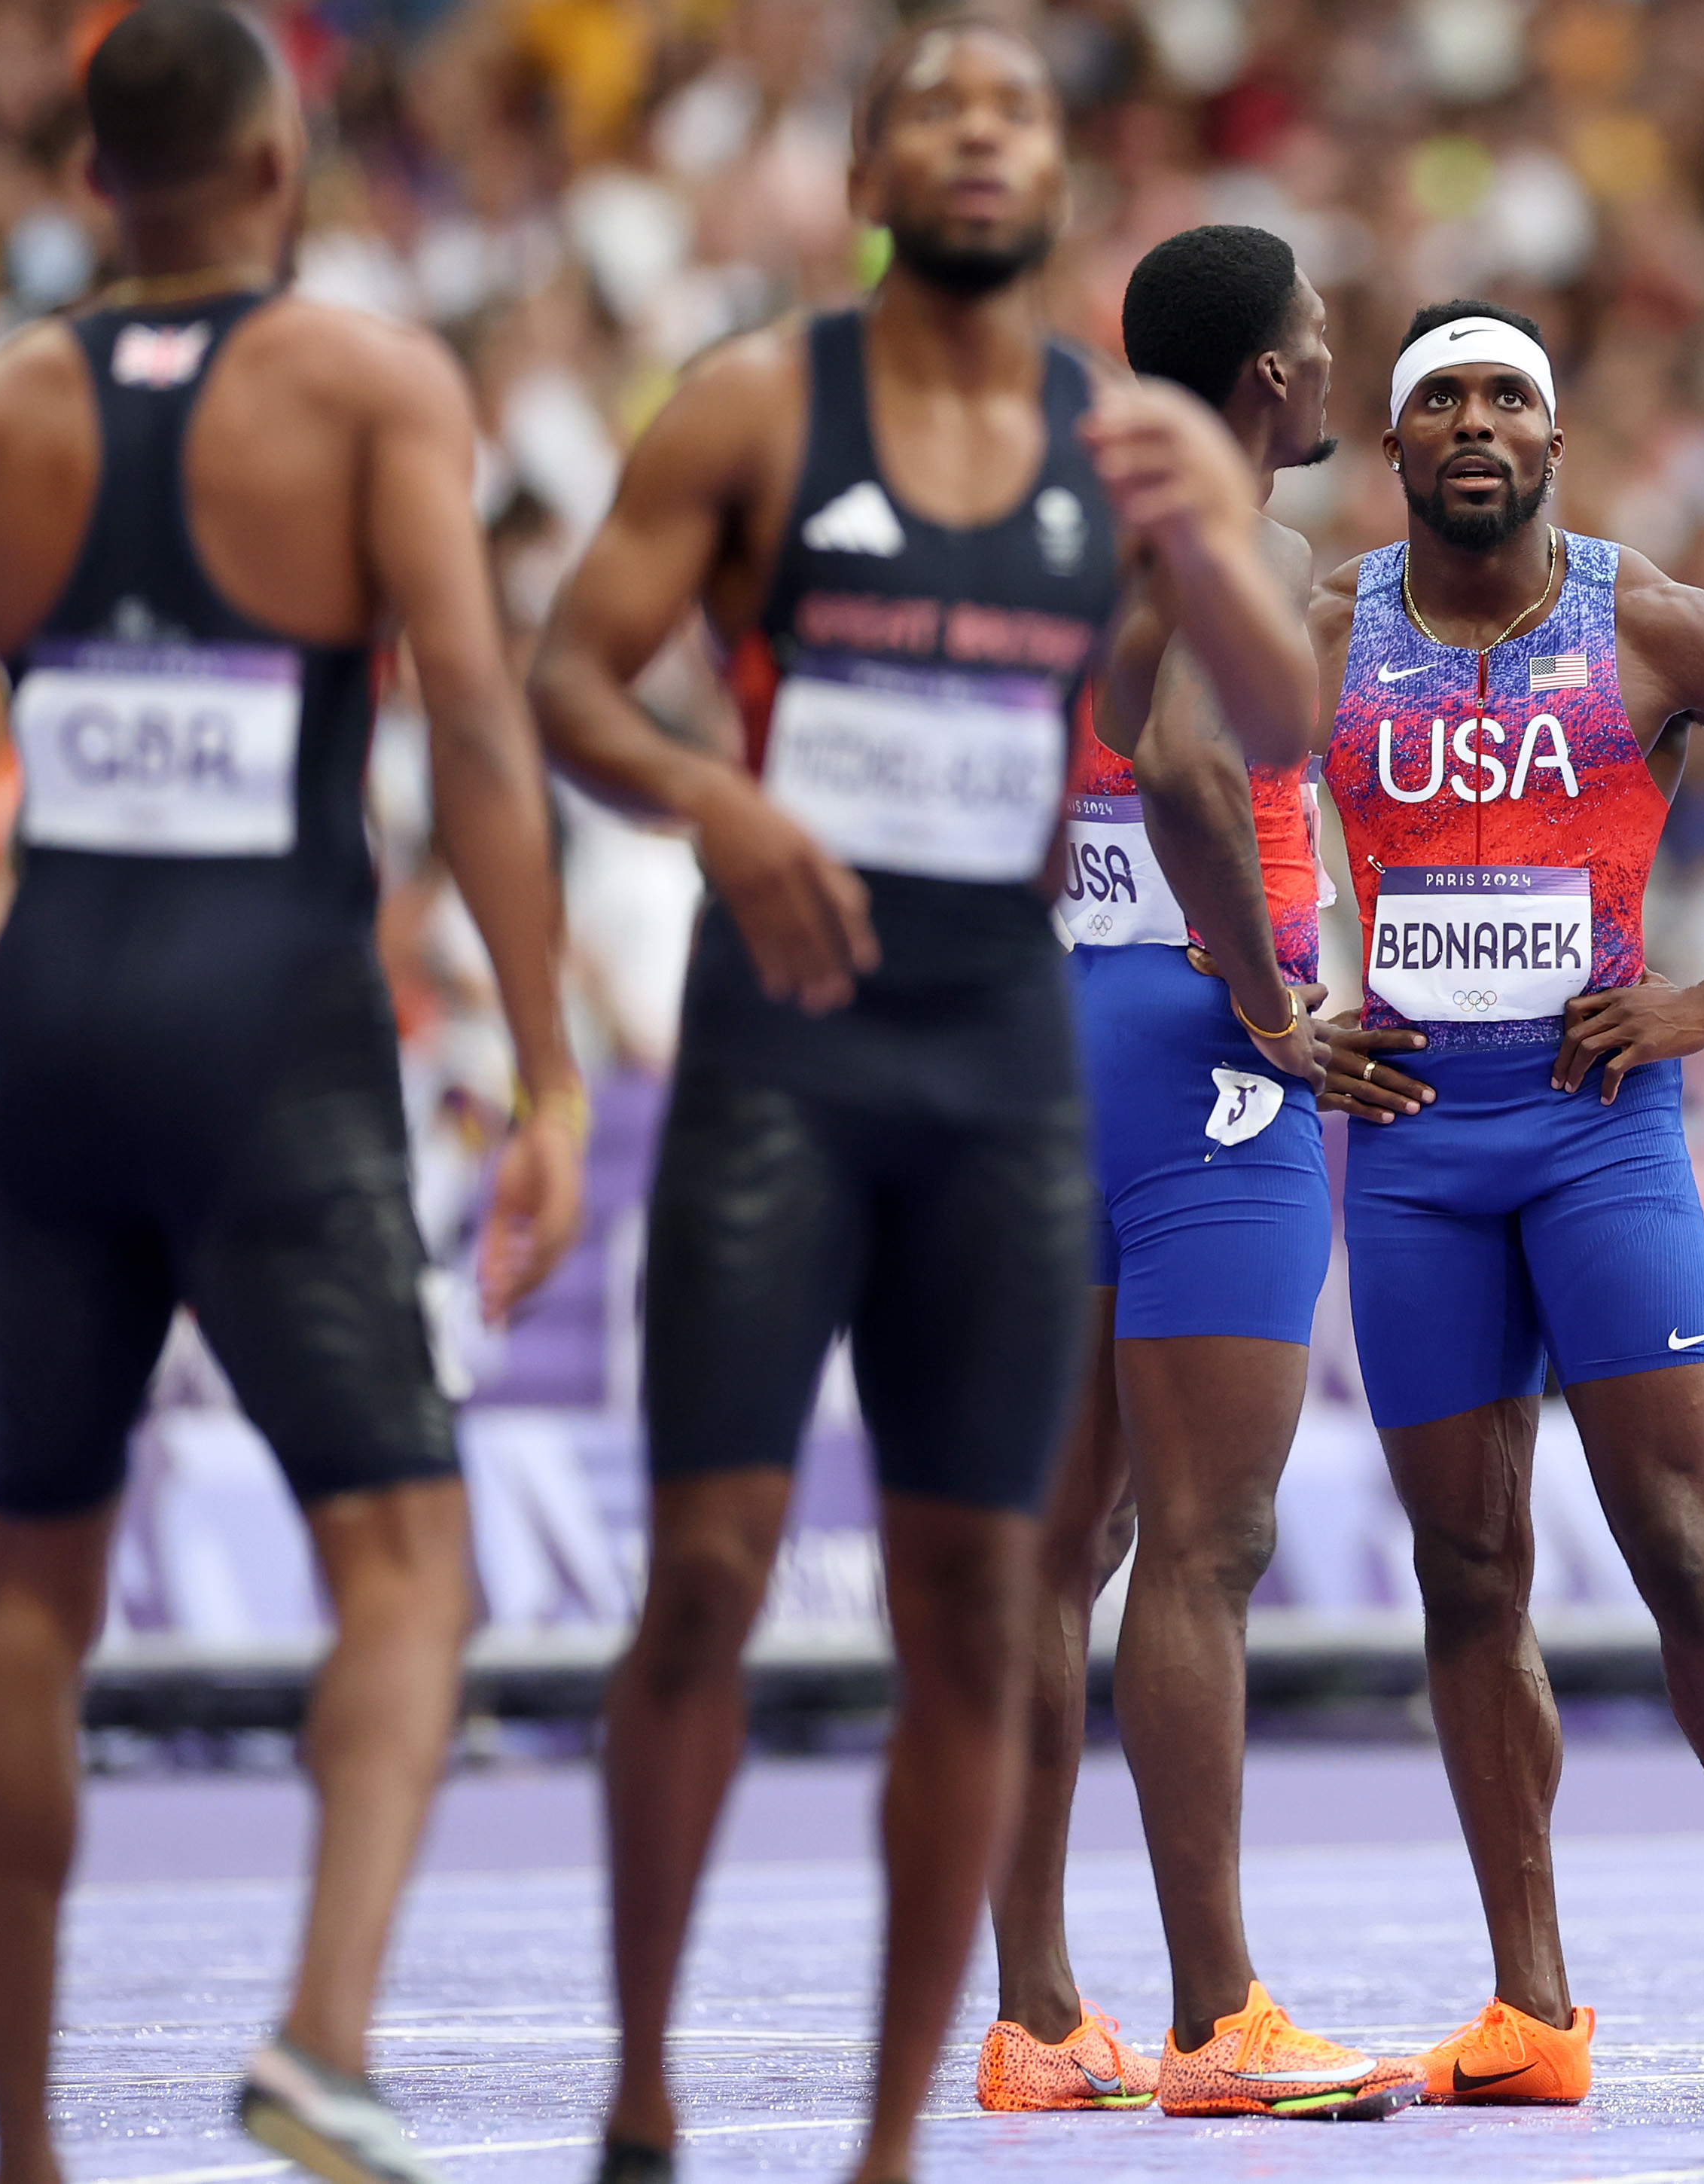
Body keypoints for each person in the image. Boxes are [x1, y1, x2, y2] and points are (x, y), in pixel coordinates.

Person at [0, 8, 586, 2181]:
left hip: (44, 1034)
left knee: (29, 1596)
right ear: (271, 164)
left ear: (87, 178)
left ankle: (28, 2147)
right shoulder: (362, 386)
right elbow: (482, 744)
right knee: (407, 1568)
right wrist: (544, 1061)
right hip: (276, 1042)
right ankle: (321, 2036)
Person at [524, 22, 1315, 2182]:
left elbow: (1266, 715)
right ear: (870, 162)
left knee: (986, 1593)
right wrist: (713, 800)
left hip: (997, 1063)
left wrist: (1211, 535)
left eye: (1017, 109)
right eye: (935, 108)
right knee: (705, 1568)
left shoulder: (1121, 441)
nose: (979, 135)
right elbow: (565, 677)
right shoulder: (757, 406)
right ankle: (640, 2086)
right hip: (786, 1045)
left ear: (1054, 171)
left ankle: (902, 2129)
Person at [1315, 301, 1704, 2112]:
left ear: (1558, 443)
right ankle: (1532, 2005)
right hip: (1417, 1141)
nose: (1478, 424)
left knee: (1673, 1537)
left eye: (1510, 396)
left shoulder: (1650, 624)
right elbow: (1167, 775)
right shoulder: (1318, 626)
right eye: (1443, 400)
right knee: (1464, 1568)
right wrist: (1279, 991)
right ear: (1398, 447)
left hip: (1599, 1130)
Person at [975, 223, 1410, 2124]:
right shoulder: (1253, 533)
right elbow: (1176, 768)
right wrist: (1266, 992)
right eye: (1320, 343)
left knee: (1051, 1552)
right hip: (1193, 1053)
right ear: (1268, 386)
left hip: (1041, 1031)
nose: (1334, 369)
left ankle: (1032, 2013)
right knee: (1202, 1551)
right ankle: (1220, 2017)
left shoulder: (1042, 528)